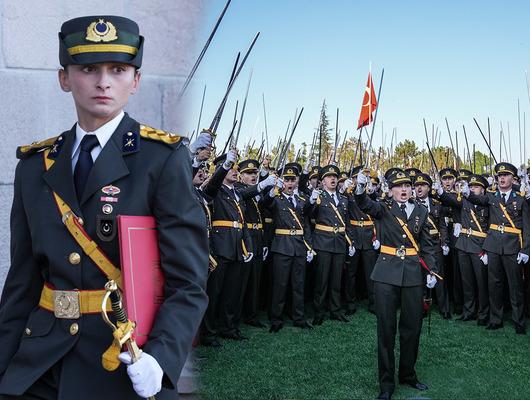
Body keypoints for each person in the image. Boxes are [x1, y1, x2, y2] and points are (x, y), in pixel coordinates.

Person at [0, 15, 208, 399]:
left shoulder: (161, 160)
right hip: (40, 363)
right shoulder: (35, 165)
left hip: (125, 359)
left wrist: (160, 360)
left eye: (118, 69)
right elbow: (22, 282)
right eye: (88, 68)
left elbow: (188, 283)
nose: (103, 82)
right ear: (65, 78)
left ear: (136, 80)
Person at [355, 170, 438, 400]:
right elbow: (364, 204)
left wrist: (432, 270)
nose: (403, 190)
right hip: (385, 274)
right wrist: (360, 189)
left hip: (412, 274)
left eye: (407, 186)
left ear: (411, 189)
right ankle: (386, 384)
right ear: (390, 190)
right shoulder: (382, 208)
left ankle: (408, 374)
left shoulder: (422, 211)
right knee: (386, 330)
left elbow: (428, 245)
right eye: (398, 186)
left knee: (412, 328)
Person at [461, 162, 530, 334]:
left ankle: (519, 321)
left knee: (515, 287)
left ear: (513, 179)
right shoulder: (491, 197)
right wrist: (466, 192)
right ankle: (495, 318)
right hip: (493, 247)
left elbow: (527, 229)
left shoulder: (520, 199)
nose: (502, 178)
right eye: (499, 176)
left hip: (513, 247)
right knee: (494, 285)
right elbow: (477, 198)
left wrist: (526, 250)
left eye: (506, 175)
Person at [262, 166, 314, 332]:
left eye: (292, 180)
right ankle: (276, 319)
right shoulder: (276, 198)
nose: (289, 183)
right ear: (281, 181)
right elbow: (265, 203)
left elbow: (306, 225)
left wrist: (309, 247)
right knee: (280, 284)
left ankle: (299, 317)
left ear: (296, 181)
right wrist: (272, 191)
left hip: (298, 246)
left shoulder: (301, 201)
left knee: (298, 285)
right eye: (287, 179)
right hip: (282, 246)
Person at [434, 173, 490, 325]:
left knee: (481, 282)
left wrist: (487, 249)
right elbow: (449, 200)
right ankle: (468, 311)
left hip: (479, 245)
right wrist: (440, 191)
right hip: (464, 244)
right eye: (471, 186)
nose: (472, 189)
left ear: (483, 190)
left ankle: (483, 313)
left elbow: (492, 228)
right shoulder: (464, 201)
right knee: (466, 281)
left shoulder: (488, 202)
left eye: (476, 187)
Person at [309, 165, 355, 326]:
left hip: (340, 242)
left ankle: (335, 311)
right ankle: (319, 312)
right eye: (329, 177)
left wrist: (351, 241)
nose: (333, 179)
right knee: (322, 280)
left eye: (335, 176)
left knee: (337, 280)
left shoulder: (343, 199)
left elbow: (347, 222)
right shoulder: (318, 196)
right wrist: (312, 201)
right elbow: (309, 215)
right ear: (322, 181)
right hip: (323, 242)